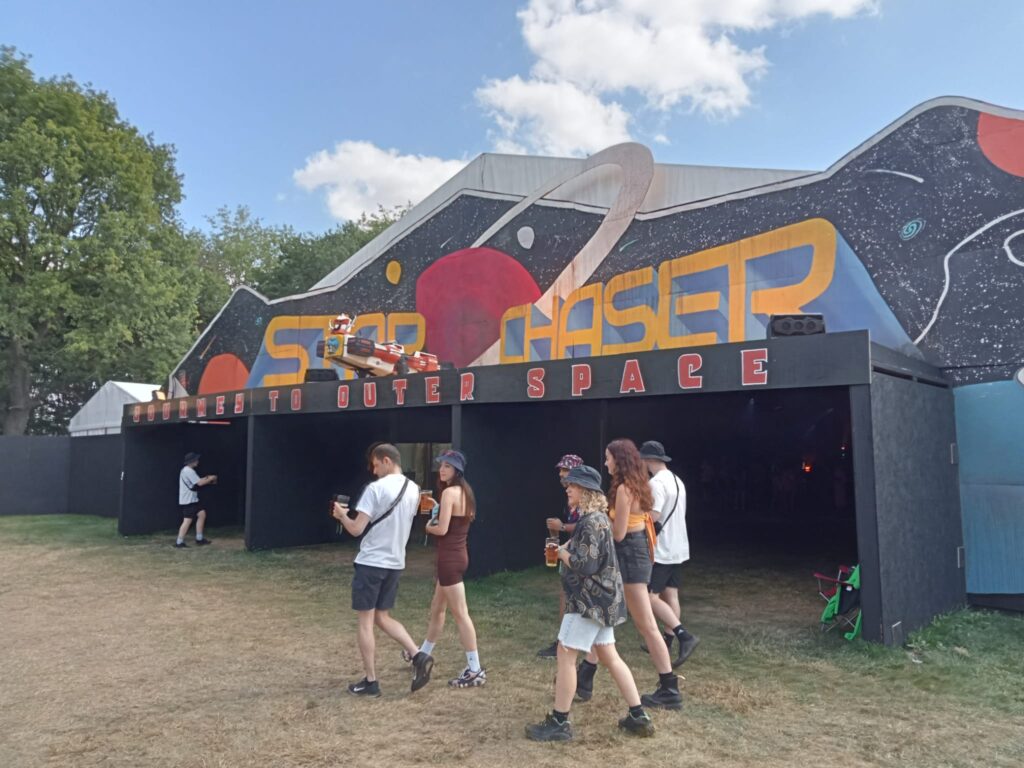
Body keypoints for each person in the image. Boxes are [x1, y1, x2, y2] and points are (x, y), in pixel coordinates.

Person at [525, 465, 655, 741]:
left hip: (588, 602)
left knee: (565, 654)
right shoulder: (596, 519)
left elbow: (587, 565)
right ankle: (638, 715)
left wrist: (561, 554)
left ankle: (559, 722)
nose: (567, 488)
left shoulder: (590, 522)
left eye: (573, 485)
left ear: (586, 491)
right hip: (604, 601)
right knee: (610, 655)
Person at [574, 439, 683, 710]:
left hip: (630, 555)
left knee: (645, 624)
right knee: (602, 611)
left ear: (620, 461)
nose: (606, 462)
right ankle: (586, 675)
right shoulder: (639, 485)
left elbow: (618, 533)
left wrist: (599, 514)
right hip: (635, 553)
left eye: (609, 458)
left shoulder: (624, 489)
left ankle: (669, 688)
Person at [332, 443, 433, 697]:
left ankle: (371, 681)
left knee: (366, 621)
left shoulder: (375, 489)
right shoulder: (414, 489)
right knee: (382, 616)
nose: (374, 472)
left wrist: (341, 516)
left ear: (386, 460)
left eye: (376, 466)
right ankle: (418, 654)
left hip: (371, 561)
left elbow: (356, 529)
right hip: (396, 561)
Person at [418, 449, 487, 688]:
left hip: (449, 559)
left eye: (448, 466)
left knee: (460, 614)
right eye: (442, 465)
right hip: (458, 555)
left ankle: (475, 668)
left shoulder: (449, 492)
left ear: (457, 470)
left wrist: (428, 525)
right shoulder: (466, 492)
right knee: (437, 609)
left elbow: (442, 529)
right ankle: (421, 654)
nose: (442, 469)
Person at [639, 440, 700, 667]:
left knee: (650, 597)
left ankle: (684, 635)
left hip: (661, 549)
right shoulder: (677, 480)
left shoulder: (656, 484)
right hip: (678, 546)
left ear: (647, 460)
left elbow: (653, 517)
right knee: (670, 594)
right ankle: (667, 641)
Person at [537, 453, 584, 658]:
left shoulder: (583, 496)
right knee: (567, 594)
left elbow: (586, 525)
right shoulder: (570, 496)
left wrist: (562, 526)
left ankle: (566, 642)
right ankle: (566, 640)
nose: (561, 474)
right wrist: (556, 533)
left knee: (573, 596)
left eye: (565, 470)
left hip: (581, 555)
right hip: (571, 551)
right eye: (560, 470)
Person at [175, 452, 216, 548]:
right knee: (187, 520)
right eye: (196, 460)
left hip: (192, 499)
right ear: (191, 461)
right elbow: (200, 483)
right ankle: (179, 542)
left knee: (202, 514)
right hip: (188, 500)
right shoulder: (188, 471)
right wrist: (211, 479)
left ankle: (199, 538)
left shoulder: (187, 470)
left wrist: (206, 478)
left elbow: (197, 480)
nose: (198, 461)